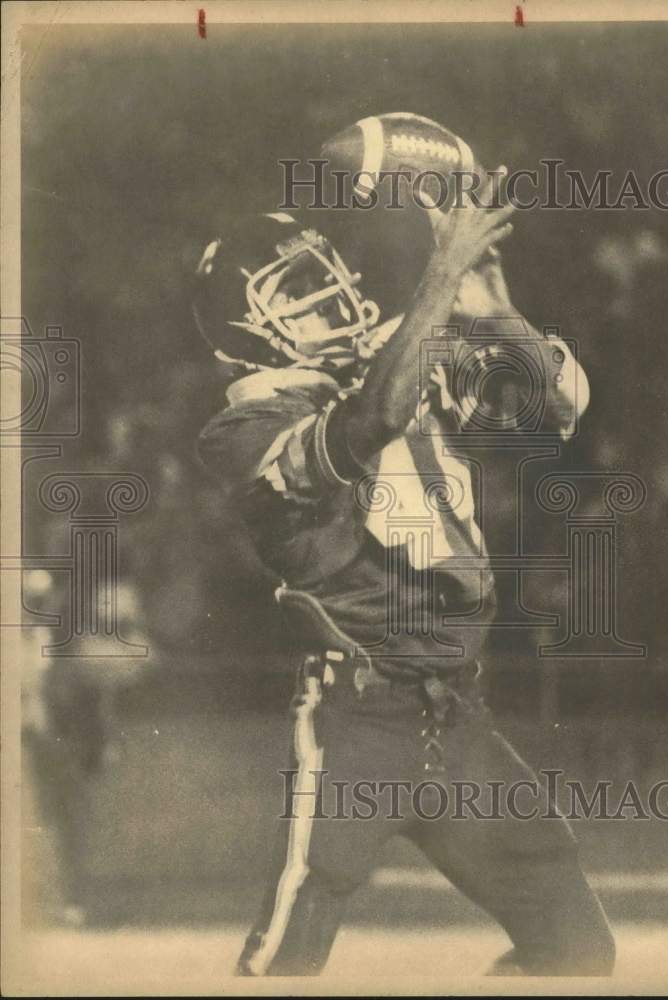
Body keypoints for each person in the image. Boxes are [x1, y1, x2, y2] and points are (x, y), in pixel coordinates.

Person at [194, 173, 614, 976]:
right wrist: (439, 280)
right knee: (289, 951)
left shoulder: (398, 352)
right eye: (304, 293)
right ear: (246, 332)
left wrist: (496, 311)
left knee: (578, 949)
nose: (336, 299)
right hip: (360, 720)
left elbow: (559, 405)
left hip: (461, 714)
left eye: (328, 278)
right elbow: (369, 423)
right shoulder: (242, 428)